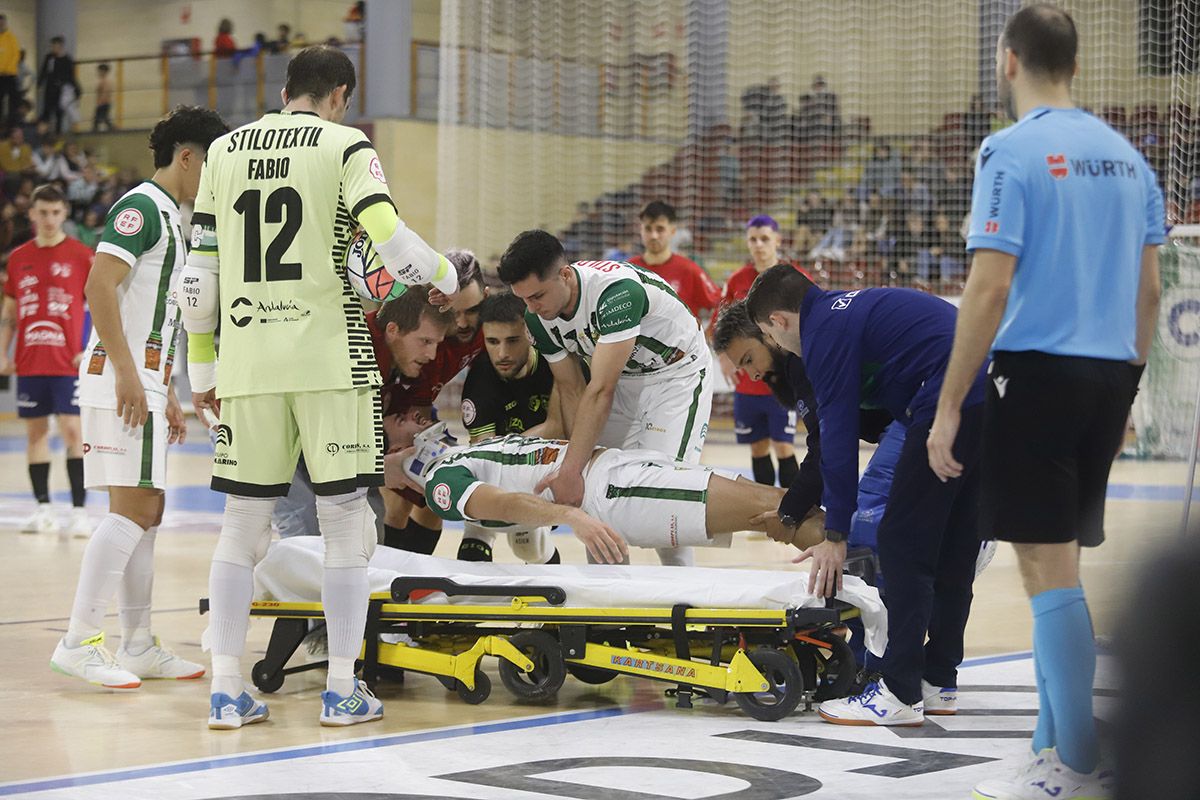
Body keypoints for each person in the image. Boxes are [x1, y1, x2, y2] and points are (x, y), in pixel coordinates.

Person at [180, 45, 458, 731]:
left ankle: (225, 689)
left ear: (283, 89)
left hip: (247, 362)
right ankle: (340, 688)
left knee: (241, 528)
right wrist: (446, 276)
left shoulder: (225, 151)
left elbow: (198, 277)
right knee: (345, 525)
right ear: (339, 93)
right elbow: (390, 242)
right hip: (330, 360)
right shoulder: (345, 146)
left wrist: (204, 369)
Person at [927, 6, 1165, 798]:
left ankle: (1078, 764)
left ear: (1008, 60)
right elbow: (1151, 289)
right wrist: (1127, 388)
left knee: (1043, 571)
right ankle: (1046, 744)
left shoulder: (1012, 150)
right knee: (1057, 568)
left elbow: (989, 284)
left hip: (1036, 375)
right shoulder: (1130, 158)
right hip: (1106, 380)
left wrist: (950, 402)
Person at [745, 264, 989, 726]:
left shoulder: (823, 334)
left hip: (946, 400)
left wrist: (835, 531)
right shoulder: (847, 309)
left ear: (778, 321)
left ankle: (898, 693)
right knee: (953, 548)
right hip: (987, 398)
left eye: (769, 335)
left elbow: (837, 440)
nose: (777, 347)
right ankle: (938, 682)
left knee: (900, 542)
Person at [48, 107, 228, 691]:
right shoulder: (141, 208)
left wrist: (166, 387)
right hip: (120, 378)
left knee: (146, 514)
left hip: (144, 378)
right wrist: (130, 374)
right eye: (212, 164)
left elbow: (155, 314)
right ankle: (79, 641)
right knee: (133, 511)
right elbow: (97, 286)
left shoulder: (173, 217)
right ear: (187, 156)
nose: (215, 178)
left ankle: (139, 643)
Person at [498, 230, 713, 568]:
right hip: (625, 377)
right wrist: (576, 465)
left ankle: (682, 596)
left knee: (661, 489)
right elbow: (571, 390)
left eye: (538, 295)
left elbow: (600, 389)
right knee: (596, 488)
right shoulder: (537, 319)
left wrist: (570, 469)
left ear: (565, 275)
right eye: (524, 299)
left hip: (676, 377)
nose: (532, 308)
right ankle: (607, 603)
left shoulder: (616, 294)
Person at [387, 425, 824, 566]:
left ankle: (873, 570)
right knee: (776, 510)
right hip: (614, 494)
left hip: (621, 469)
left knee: (780, 500)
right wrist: (571, 518)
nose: (412, 416)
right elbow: (500, 505)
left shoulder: (471, 448)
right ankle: (874, 593)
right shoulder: (442, 479)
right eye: (398, 422)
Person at [377, 250, 487, 555]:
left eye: (472, 310)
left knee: (435, 498)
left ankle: (414, 573)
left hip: (424, 410)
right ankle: (389, 575)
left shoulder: (491, 325)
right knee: (399, 500)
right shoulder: (423, 328)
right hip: (394, 408)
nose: (463, 323)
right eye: (455, 312)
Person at [0, 183, 94, 536]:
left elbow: (100, 306)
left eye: (56, 213)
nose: (49, 219)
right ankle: (42, 509)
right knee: (35, 434)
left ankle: (79, 512)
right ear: (32, 214)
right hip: (30, 360)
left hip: (68, 360)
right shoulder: (19, 257)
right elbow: (10, 311)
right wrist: (2, 351)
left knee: (73, 430)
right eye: (43, 212)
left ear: (64, 214)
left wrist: (91, 347)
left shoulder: (83, 256)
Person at [456, 290, 562, 564]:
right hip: (501, 467)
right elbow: (484, 454)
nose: (501, 353)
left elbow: (562, 427)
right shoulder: (479, 379)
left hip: (548, 466)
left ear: (529, 333)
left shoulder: (556, 364)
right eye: (492, 342)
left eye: (512, 341)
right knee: (476, 529)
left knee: (528, 547)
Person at [714, 216, 798, 490]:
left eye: (764, 238)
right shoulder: (738, 279)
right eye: (753, 239)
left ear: (777, 240)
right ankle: (768, 509)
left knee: (784, 446)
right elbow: (719, 323)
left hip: (782, 380)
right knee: (758, 447)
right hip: (749, 385)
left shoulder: (792, 277)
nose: (759, 245)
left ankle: (795, 509)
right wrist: (724, 357)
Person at [628, 200, 720, 320]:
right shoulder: (629, 269)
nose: (653, 236)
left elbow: (720, 303)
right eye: (648, 229)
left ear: (672, 231)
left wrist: (710, 333)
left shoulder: (689, 269)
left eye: (660, 229)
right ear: (641, 230)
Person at [38, 36, 78, 134]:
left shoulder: (67, 60)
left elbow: (70, 76)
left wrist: (75, 89)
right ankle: (44, 132)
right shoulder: (49, 57)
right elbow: (44, 71)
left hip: (60, 90)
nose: (53, 48)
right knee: (46, 111)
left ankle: (58, 133)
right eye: (52, 46)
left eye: (55, 46)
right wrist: (39, 83)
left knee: (59, 112)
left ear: (60, 46)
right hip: (49, 89)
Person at [0, 15, 20, 126]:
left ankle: (12, 124)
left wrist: (6, 69)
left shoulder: (11, 38)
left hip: (10, 74)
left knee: (13, 101)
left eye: (2, 23)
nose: (1, 25)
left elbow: (15, 55)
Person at [93, 64, 113, 132]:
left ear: (104, 72)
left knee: (99, 118)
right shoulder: (103, 80)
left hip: (103, 103)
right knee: (104, 118)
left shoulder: (106, 81)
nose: (99, 73)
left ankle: (94, 131)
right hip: (103, 102)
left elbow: (106, 92)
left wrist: (100, 102)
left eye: (100, 71)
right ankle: (111, 128)